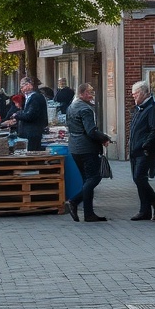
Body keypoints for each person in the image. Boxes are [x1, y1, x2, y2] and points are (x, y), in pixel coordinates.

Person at [63, 83, 112, 222]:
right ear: (83, 93)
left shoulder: (71, 107)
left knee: (86, 180)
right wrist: (104, 137)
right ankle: (74, 201)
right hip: (87, 149)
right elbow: (91, 131)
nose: (92, 96)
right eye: (90, 93)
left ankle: (89, 213)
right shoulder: (86, 109)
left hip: (74, 148)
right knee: (95, 177)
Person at [128, 79, 155, 221]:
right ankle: (145, 210)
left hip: (144, 151)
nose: (133, 96)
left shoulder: (152, 109)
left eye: (135, 94)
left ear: (143, 93)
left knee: (139, 178)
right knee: (138, 180)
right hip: (135, 150)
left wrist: (146, 146)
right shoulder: (140, 108)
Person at [9, 76, 48, 151]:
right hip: (31, 132)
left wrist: (17, 115)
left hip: (32, 133)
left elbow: (30, 115)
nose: (21, 89)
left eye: (22, 86)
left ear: (29, 85)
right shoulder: (30, 97)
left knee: (31, 154)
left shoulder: (35, 98)